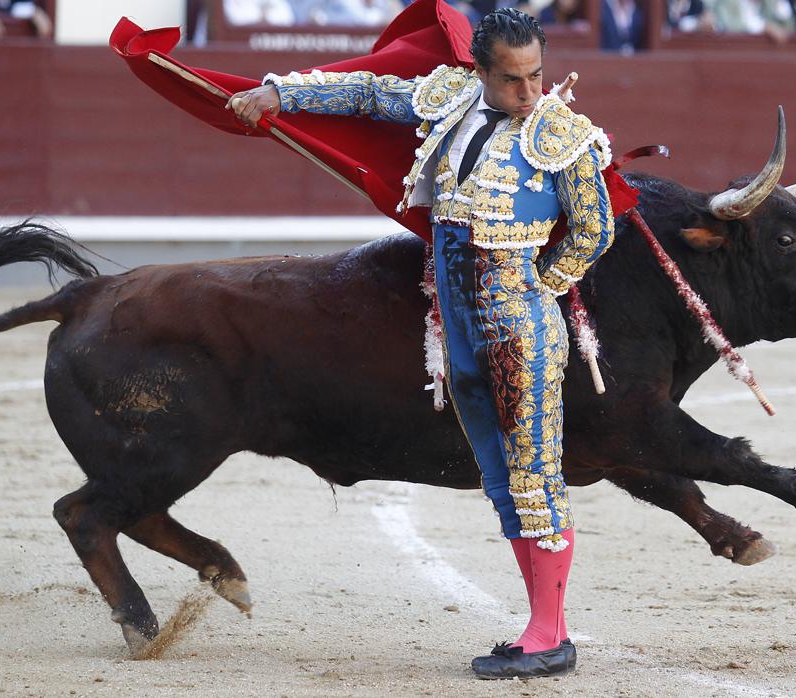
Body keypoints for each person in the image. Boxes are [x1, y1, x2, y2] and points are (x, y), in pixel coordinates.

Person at [227, 7, 613, 680]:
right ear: (481, 72)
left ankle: (549, 633)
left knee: (533, 475)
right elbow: (371, 93)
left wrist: (537, 287)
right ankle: (538, 625)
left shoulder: (566, 137)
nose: (529, 94)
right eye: (513, 80)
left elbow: (594, 229)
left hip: (517, 321)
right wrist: (282, 92)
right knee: (497, 473)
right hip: (457, 317)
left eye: (536, 76)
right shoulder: (450, 99)